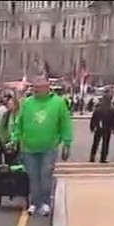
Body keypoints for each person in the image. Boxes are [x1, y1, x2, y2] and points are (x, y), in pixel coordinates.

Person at [11, 76, 72, 216]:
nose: (37, 90)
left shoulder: (58, 103)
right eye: (35, 88)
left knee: (45, 175)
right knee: (33, 176)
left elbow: (65, 124)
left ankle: (45, 203)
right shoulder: (26, 103)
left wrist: (66, 143)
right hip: (29, 147)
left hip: (49, 147)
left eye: (40, 87)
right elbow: (18, 124)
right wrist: (15, 139)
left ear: (48, 88)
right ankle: (34, 202)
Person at [89, 94, 114, 163]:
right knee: (105, 143)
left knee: (95, 143)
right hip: (107, 128)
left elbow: (93, 119)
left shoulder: (98, 109)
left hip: (98, 128)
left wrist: (92, 127)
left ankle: (92, 157)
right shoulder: (112, 110)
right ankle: (103, 158)